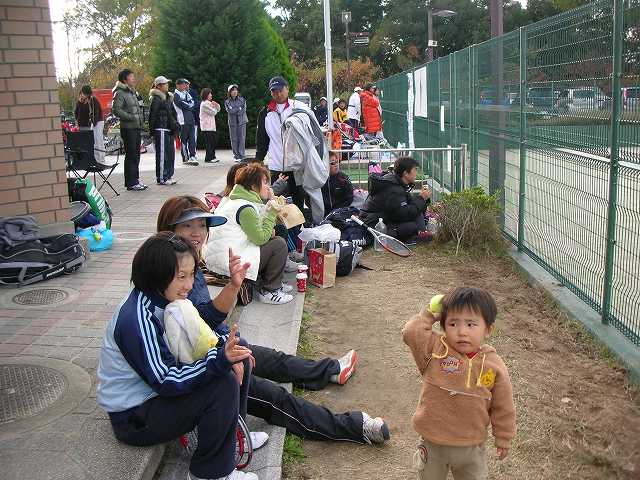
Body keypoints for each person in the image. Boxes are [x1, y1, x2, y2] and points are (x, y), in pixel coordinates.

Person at [158, 195, 391, 447]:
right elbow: (183, 347)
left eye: (202, 225)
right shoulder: (165, 275)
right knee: (275, 397)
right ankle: (354, 427)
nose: (197, 233)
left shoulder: (188, 264)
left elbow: (206, 317)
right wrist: (223, 358)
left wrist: (234, 286)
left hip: (217, 350)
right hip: (207, 367)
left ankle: (331, 370)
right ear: (168, 230)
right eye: (187, 226)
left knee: (273, 359)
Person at [97, 232, 259, 480]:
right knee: (223, 382)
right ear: (155, 274)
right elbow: (166, 380)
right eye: (181, 276)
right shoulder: (136, 319)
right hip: (134, 417)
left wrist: (226, 350)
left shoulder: (166, 297)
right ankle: (210, 473)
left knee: (239, 350)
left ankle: (234, 438)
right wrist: (219, 360)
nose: (189, 284)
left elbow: (202, 326)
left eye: (192, 274)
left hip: (155, 396)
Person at [402, 287, 516, 480]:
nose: (462, 332)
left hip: (471, 446)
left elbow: (503, 405)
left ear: (488, 329)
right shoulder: (435, 350)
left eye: (471, 324)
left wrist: (503, 437)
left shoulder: (494, 365)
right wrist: (430, 314)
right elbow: (411, 332)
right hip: (432, 443)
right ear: (443, 326)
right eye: (453, 324)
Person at [204, 163, 293, 305]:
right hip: (229, 264)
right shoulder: (245, 207)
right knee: (278, 244)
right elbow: (260, 239)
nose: (268, 187)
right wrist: (272, 212)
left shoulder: (234, 199)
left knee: (275, 237)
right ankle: (270, 291)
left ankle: (273, 282)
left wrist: (271, 203)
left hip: (221, 259)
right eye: (265, 182)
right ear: (253, 186)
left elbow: (258, 229)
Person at [255, 76, 309, 212]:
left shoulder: (298, 107)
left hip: (296, 165)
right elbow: (262, 140)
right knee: (275, 203)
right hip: (276, 166)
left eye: (280, 90)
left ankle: (299, 224)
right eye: (274, 91)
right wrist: (258, 161)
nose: (278, 94)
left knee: (298, 202)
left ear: (287, 89)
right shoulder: (265, 112)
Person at [360, 156, 432, 242]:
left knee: (416, 215)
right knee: (411, 227)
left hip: (382, 219)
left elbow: (409, 206)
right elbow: (403, 214)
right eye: (414, 170)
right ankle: (419, 236)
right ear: (405, 173)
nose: (416, 173)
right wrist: (421, 198)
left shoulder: (396, 182)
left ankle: (422, 234)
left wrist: (423, 199)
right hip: (374, 224)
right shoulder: (394, 189)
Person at [112, 69, 146, 191]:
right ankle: (131, 182)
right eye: (131, 77)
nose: (133, 79)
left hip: (136, 127)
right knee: (131, 155)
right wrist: (131, 117)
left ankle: (135, 180)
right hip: (128, 128)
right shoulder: (120, 93)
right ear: (125, 79)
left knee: (136, 154)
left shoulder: (132, 92)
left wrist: (140, 122)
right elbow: (116, 110)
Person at [148, 75, 178, 186]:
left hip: (169, 129)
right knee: (162, 155)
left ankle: (168, 175)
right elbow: (152, 115)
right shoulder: (156, 98)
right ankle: (161, 178)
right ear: (159, 86)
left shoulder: (168, 98)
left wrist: (175, 126)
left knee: (170, 154)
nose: (167, 85)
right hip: (160, 128)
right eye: (165, 84)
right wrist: (151, 131)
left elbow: (173, 113)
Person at [74, 85, 105, 163]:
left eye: (83, 93)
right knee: (97, 140)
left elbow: (95, 112)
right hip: (96, 122)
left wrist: (93, 122)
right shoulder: (89, 99)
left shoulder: (92, 99)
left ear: (86, 93)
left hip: (98, 122)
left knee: (97, 140)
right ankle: (100, 158)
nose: (82, 95)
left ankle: (99, 159)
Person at [174, 78, 199, 166]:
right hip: (183, 120)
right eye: (183, 84)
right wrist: (188, 105)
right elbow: (181, 104)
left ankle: (192, 156)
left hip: (191, 119)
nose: (185, 86)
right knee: (184, 140)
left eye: (185, 84)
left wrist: (188, 105)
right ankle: (185, 157)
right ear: (178, 85)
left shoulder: (186, 93)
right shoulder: (176, 95)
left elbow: (193, 103)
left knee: (192, 139)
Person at [224, 85, 248, 161]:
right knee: (234, 139)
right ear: (229, 92)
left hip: (242, 121)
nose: (235, 92)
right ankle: (236, 156)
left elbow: (243, 110)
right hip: (232, 122)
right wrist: (238, 108)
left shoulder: (242, 100)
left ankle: (242, 156)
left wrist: (235, 109)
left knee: (242, 138)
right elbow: (230, 111)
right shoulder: (227, 102)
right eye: (233, 90)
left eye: (236, 90)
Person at [200, 88, 220, 163]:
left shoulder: (209, 103)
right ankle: (208, 158)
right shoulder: (204, 104)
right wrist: (215, 107)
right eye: (209, 94)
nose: (211, 95)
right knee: (209, 143)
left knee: (213, 142)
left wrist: (216, 105)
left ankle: (213, 156)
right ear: (206, 95)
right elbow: (213, 112)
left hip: (211, 127)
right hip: (207, 127)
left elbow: (218, 109)